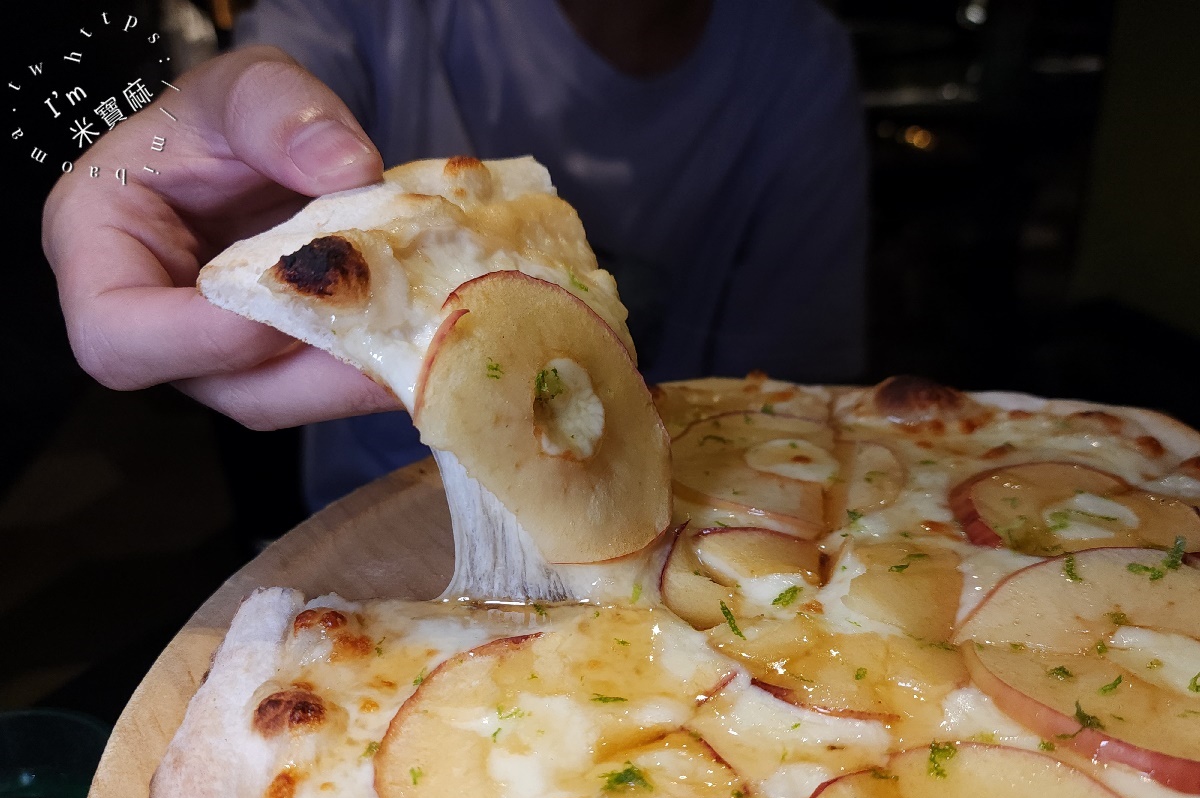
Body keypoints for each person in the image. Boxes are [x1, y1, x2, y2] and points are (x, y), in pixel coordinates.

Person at [43, 0, 867, 512]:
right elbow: (264, 79)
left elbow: (787, 394)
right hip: (370, 518)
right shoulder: (385, 13)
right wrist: (208, 118)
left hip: (677, 501)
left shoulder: (796, 56)